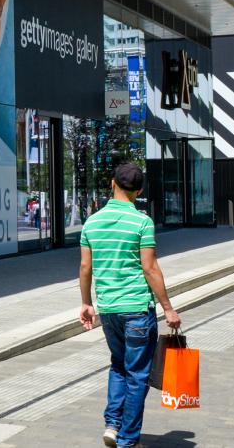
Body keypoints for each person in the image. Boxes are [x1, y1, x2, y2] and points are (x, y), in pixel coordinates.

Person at [78, 162, 180, 448]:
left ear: (112, 183)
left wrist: (87, 303)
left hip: (108, 309)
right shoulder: (142, 223)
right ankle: (128, 439)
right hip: (136, 308)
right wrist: (168, 308)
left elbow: (86, 267)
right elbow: (150, 269)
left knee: (118, 365)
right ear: (140, 190)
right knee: (137, 374)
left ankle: (112, 424)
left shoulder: (92, 222)